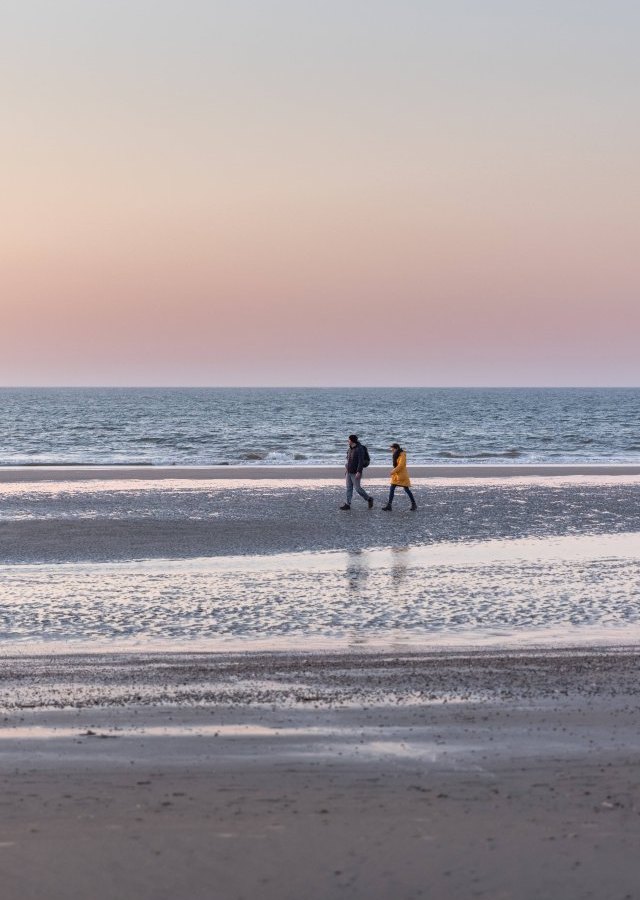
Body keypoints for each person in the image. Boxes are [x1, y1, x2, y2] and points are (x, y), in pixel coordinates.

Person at [340, 434, 374, 510]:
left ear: (352, 441)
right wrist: (346, 470)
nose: (347, 441)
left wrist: (359, 472)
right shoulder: (349, 449)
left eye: (348, 440)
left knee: (358, 489)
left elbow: (360, 461)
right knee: (349, 488)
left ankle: (369, 499)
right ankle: (347, 504)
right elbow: (348, 461)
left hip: (356, 472)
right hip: (349, 471)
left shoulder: (360, 449)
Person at [382, 443, 417, 511]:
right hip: (396, 475)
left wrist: (393, 471)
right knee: (392, 488)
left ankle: (414, 504)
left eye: (393, 449)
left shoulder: (402, 455)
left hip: (402, 475)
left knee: (406, 489)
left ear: (396, 448)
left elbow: (401, 465)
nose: (392, 450)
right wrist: (394, 471)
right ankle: (389, 505)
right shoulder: (396, 454)